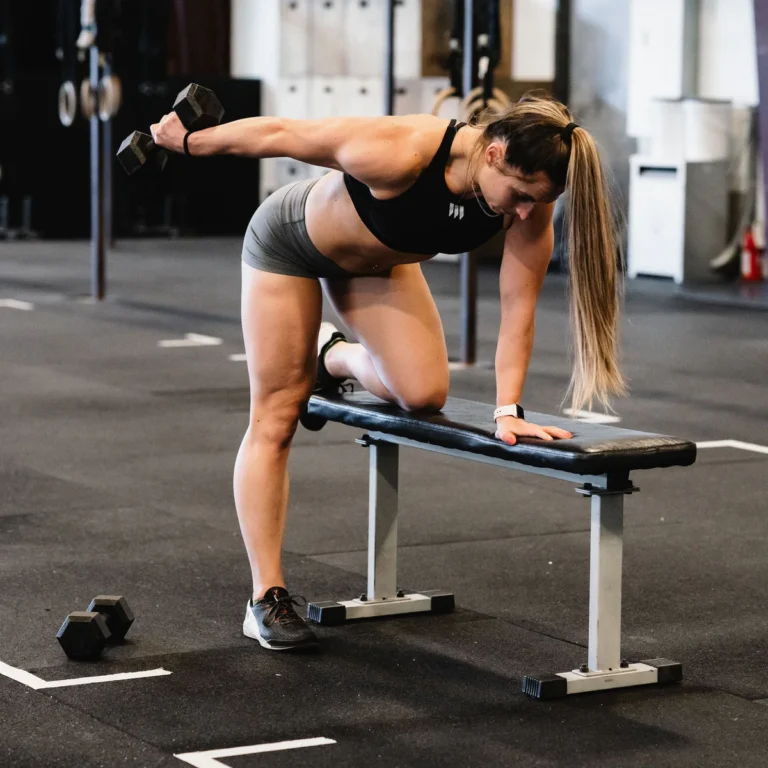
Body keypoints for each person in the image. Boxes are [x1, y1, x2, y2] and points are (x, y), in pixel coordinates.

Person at [150, 91, 626, 652]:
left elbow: (518, 310)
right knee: (277, 415)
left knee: (424, 394)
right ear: (493, 154)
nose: (523, 212)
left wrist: (508, 411)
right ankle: (266, 597)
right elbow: (283, 132)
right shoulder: (403, 151)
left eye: (537, 202)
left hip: (378, 267)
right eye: (520, 196)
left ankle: (331, 356)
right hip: (291, 245)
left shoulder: (529, 199)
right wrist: (187, 140)